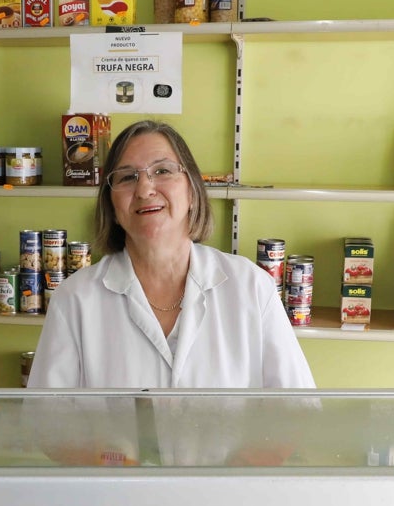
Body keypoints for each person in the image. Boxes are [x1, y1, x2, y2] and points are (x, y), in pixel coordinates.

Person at [27, 119, 314, 389]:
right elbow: (47, 423)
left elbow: (297, 412)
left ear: (192, 190)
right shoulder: (75, 299)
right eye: (127, 177)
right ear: (111, 206)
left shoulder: (251, 286)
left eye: (162, 171)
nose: (144, 189)